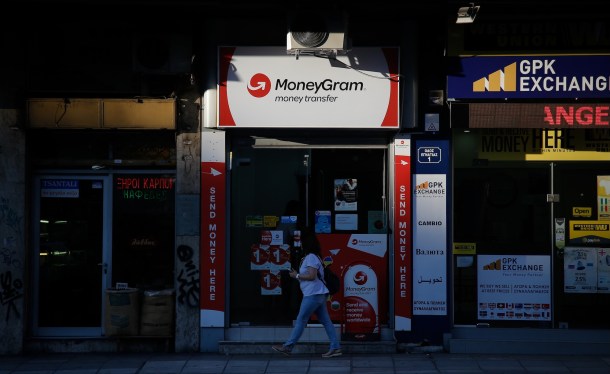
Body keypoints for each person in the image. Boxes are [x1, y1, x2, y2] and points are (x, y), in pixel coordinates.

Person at [272, 230, 342, 358]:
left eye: (301, 241)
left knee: (301, 320)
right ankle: (335, 347)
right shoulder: (314, 256)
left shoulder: (311, 257)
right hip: (318, 294)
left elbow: (311, 276)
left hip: (313, 295)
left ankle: (288, 347)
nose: (300, 243)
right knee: (326, 321)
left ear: (306, 243)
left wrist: (296, 275)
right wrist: (297, 275)